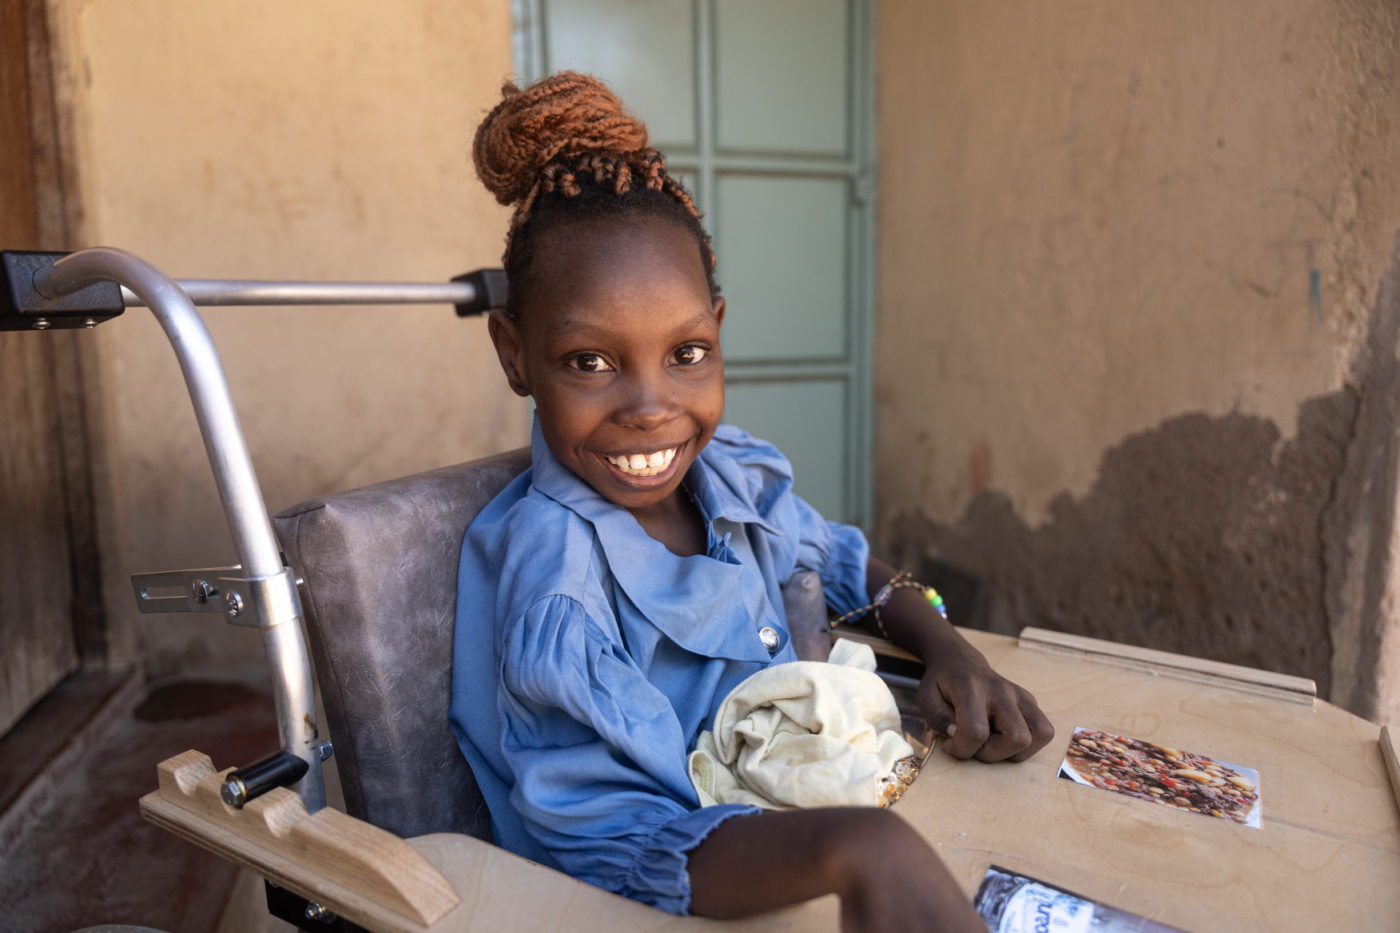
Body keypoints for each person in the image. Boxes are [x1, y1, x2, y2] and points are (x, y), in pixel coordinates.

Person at [449, 72, 1055, 933]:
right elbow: (621, 845)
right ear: (514, 354)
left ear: (719, 331)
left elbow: (858, 573)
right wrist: (852, 849)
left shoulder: (730, 475)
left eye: (686, 352)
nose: (651, 405)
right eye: (590, 361)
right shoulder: (561, 585)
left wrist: (954, 650)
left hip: (810, 818)